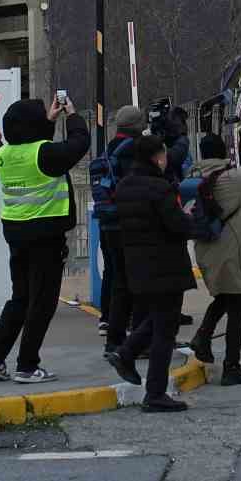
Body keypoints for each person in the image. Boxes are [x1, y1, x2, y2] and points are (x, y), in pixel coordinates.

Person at [0, 93, 89, 384]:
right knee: (42, 302)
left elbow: (36, 147)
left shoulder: (3, 155)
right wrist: (72, 116)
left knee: (21, 297)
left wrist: (48, 121)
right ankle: (27, 365)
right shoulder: (45, 154)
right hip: (46, 235)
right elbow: (79, 144)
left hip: (16, 233)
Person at [106, 133, 197, 412]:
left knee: (159, 318)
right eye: (164, 154)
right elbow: (175, 225)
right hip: (165, 265)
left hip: (138, 264)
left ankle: (126, 352)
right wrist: (189, 217)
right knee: (165, 331)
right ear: (157, 158)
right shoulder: (161, 188)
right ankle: (155, 393)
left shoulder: (124, 186)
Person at [188, 126, 241, 384]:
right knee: (237, 305)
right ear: (223, 152)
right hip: (232, 251)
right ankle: (231, 366)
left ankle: (202, 338)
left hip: (206, 249)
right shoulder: (231, 178)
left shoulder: (192, 176)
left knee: (225, 297)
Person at [97, 105, 146, 353]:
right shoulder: (133, 150)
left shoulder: (109, 149)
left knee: (120, 282)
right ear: (137, 125)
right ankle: (137, 341)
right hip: (129, 223)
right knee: (138, 282)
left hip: (108, 223)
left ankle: (114, 340)